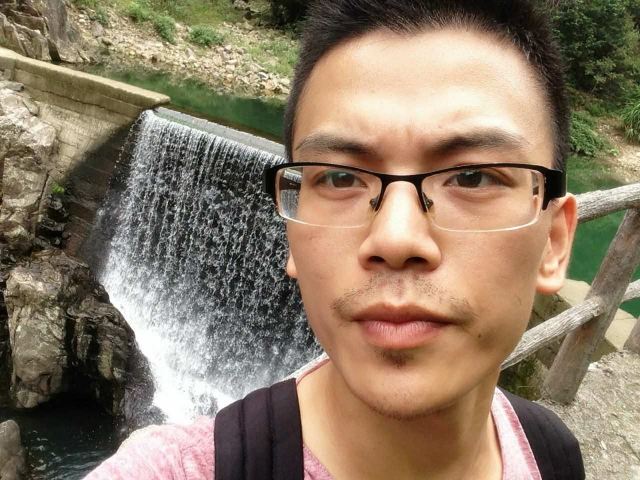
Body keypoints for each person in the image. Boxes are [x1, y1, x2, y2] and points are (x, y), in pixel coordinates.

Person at [86, 0, 583, 478]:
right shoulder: (176, 468)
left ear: (554, 243)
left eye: (473, 178)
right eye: (340, 178)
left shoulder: (551, 454)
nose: (394, 238)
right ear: (292, 229)